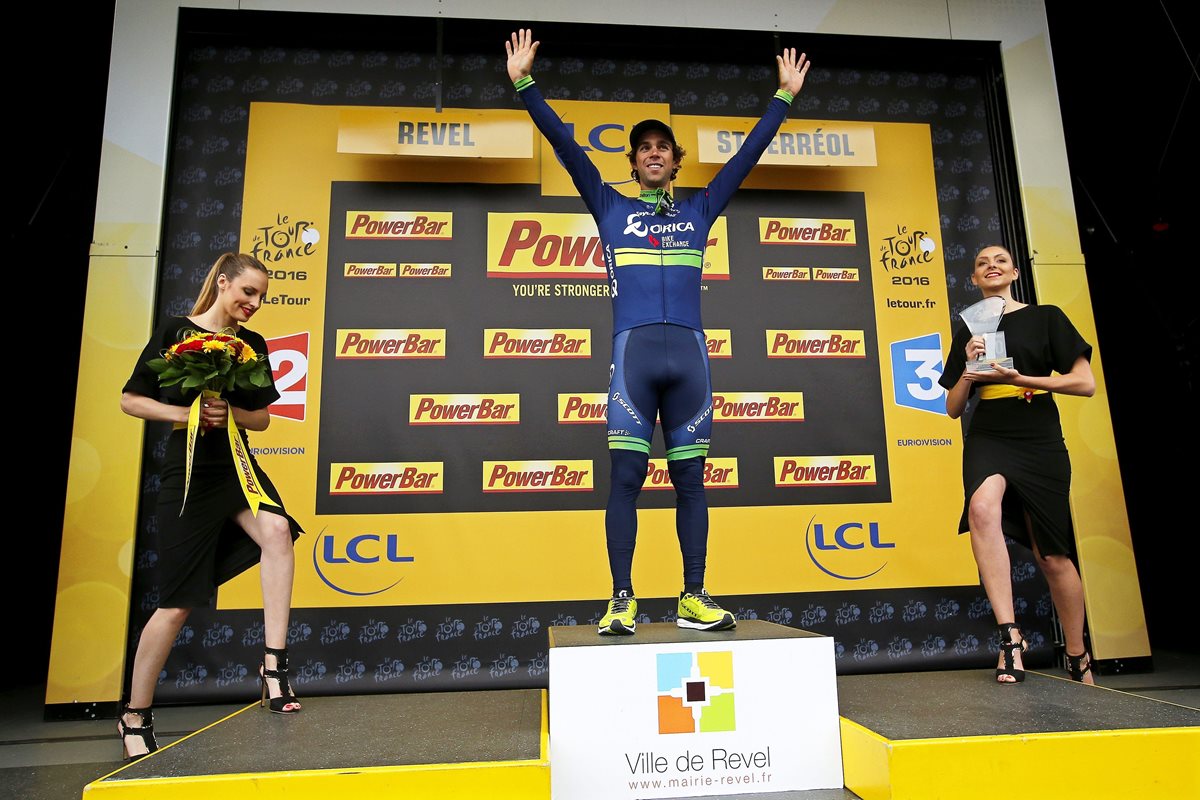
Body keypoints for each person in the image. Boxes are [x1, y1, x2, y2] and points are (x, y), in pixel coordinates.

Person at [505, 29, 810, 635]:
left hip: (690, 365)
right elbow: (565, 145)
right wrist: (524, 84)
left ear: (676, 162)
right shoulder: (609, 206)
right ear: (632, 161)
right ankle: (622, 598)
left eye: (662, 148)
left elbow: (746, 157)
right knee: (625, 479)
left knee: (692, 480)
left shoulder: (700, 209)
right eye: (642, 147)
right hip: (634, 361)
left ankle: (693, 596)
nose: (652, 154)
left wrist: (783, 98)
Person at [117, 253, 304, 759]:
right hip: (188, 476)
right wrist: (188, 410)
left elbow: (261, 420)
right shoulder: (176, 332)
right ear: (223, 284)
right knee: (176, 605)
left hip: (236, 467)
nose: (254, 304)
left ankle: (273, 667)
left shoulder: (252, 345)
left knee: (278, 532)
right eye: (248, 293)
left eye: (261, 296)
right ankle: (135, 714)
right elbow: (131, 400)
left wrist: (229, 412)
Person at [939, 245, 1096, 684]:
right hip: (990, 431)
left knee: (1053, 557)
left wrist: (1018, 378)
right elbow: (952, 408)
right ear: (973, 279)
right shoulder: (968, 326)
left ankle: (1078, 654)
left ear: (1013, 273)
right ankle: (1010, 639)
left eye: (1000, 261)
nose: (992, 266)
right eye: (982, 263)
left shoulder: (1047, 317)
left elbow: (1084, 384)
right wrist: (969, 368)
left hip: (1037, 431)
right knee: (982, 508)